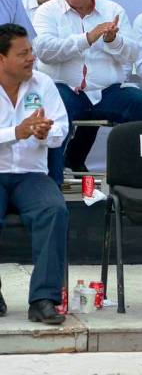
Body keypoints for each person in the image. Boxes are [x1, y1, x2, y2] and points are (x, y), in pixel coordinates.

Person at [32, 0, 142, 182]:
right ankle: (51, 183)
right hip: (65, 89)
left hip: (107, 91)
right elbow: (45, 51)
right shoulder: (47, 11)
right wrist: (87, 38)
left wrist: (112, 40)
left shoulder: (112, 10)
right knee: (53, 108)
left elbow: (132, 53)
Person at [0, 23, 69, 325]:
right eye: (23, 53)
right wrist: (16, 131)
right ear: (2, 59)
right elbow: (16, 131)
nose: (31, 58)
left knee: (54, 210)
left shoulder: (43, 83)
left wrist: (45, 133)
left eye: (31, 51)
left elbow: (62, 129)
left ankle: (43, 299)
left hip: (31, 174)